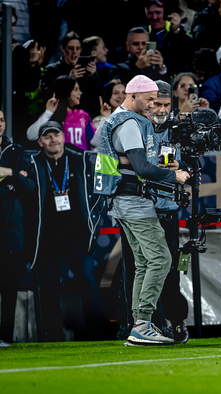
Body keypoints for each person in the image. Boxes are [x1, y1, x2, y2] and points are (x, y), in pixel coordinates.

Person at [94, 75, 191, 346]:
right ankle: (141, 324)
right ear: (133, 95)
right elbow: (141, 167)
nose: (152, 105)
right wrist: (176, 177)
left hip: (126, 201)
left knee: (144, 263)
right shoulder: (128, 122)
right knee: (161, 260)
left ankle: (140, 324)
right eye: (149, 99)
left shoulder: (120, 118)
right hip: (133, 201)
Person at [22, 121, 105, 342]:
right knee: (48, 290)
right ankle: (52, 337)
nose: (52, 140)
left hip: (77, 238)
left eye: (56, 135)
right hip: (47, 239)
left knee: (89, 286)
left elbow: (99, 191)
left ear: (63, 137)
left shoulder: (81, 159)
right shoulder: (33, 163)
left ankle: (98, 336)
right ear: (40, 142)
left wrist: (94, 224)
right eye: (47, 136)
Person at [0, 110, 30, 345]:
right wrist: (12, 182)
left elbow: (28, 188)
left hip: (12, 232)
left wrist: (8, 174)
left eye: (1, 120)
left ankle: (6, 338)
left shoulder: (16, 151)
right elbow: (17, 186)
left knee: (10, 287)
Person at [27, 76, 109, 151]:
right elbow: (31, 136)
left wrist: (105, 118)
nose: (80, 93)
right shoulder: (51, 115)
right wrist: (48, 112)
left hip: (80, 164)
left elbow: (96, 142)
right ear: (66, 91)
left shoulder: (84, 115)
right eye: (76, 89)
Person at [144, 0, 193, 75]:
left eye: (158, 12)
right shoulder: (142, 33)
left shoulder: (177, 31)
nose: (154, 17)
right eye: (150, 13)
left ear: (166, 13)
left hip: (174, 78)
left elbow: (187, 55)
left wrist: (177, 32)